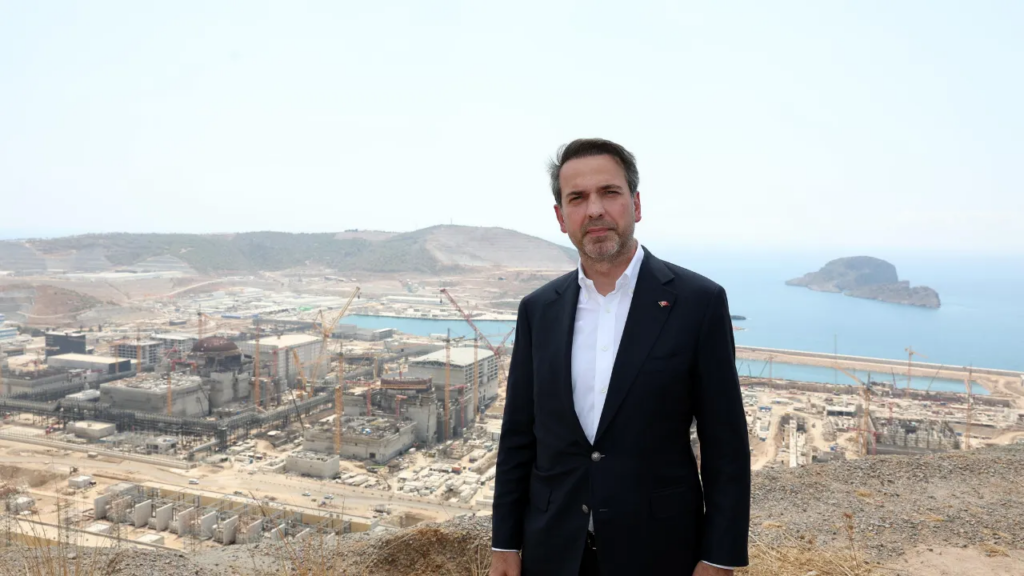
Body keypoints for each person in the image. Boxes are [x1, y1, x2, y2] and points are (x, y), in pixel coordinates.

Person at [489, 138, 751, 576]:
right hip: (553, 551)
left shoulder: (698, 302)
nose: (594, 210)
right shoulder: (538, 309)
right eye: (577, 198)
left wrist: (719, 557)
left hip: (660, 552)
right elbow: (518, 435)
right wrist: (504, 543)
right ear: (561, 217)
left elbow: (724, 441)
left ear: (636, 204)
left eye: (609, 192)